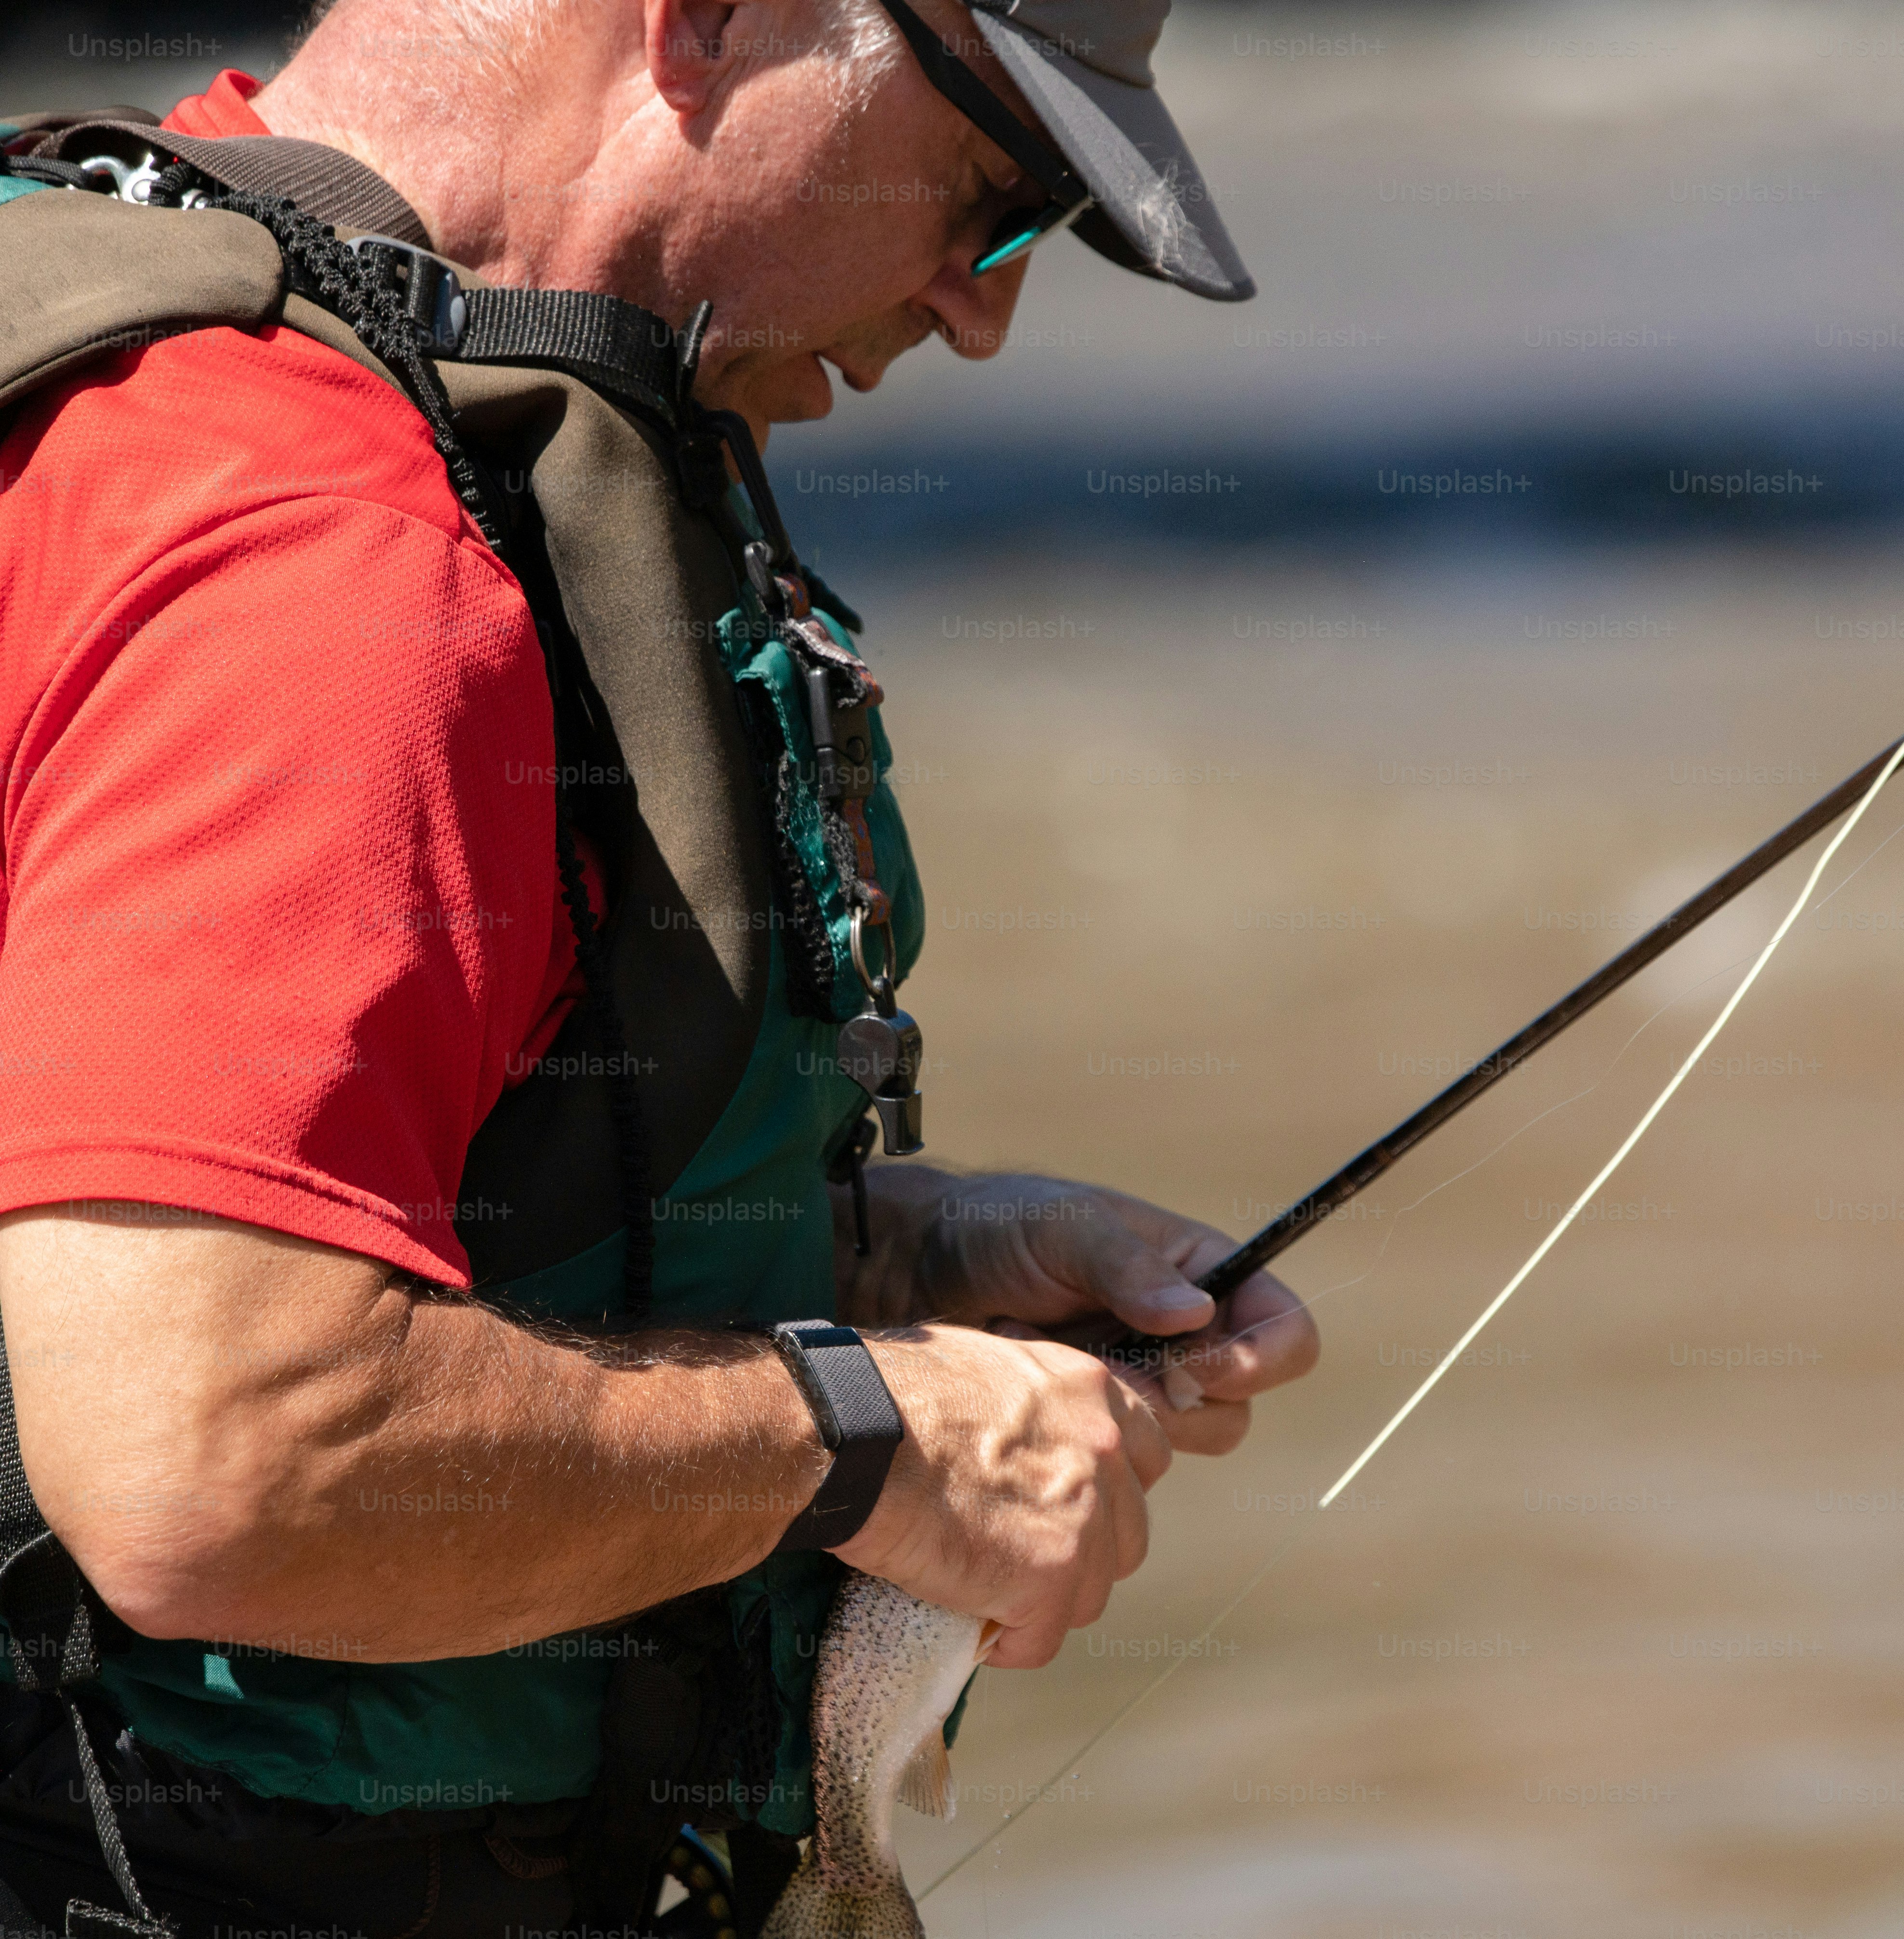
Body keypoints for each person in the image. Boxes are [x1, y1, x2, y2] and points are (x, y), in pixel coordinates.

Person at [0, 0, 1312, 1928]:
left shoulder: (120, 352)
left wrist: (890, 1253)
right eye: (997, 199)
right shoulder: (316, 545)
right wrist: (870, 1433)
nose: (978, 309)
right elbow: (222, 1462)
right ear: (708, 25)